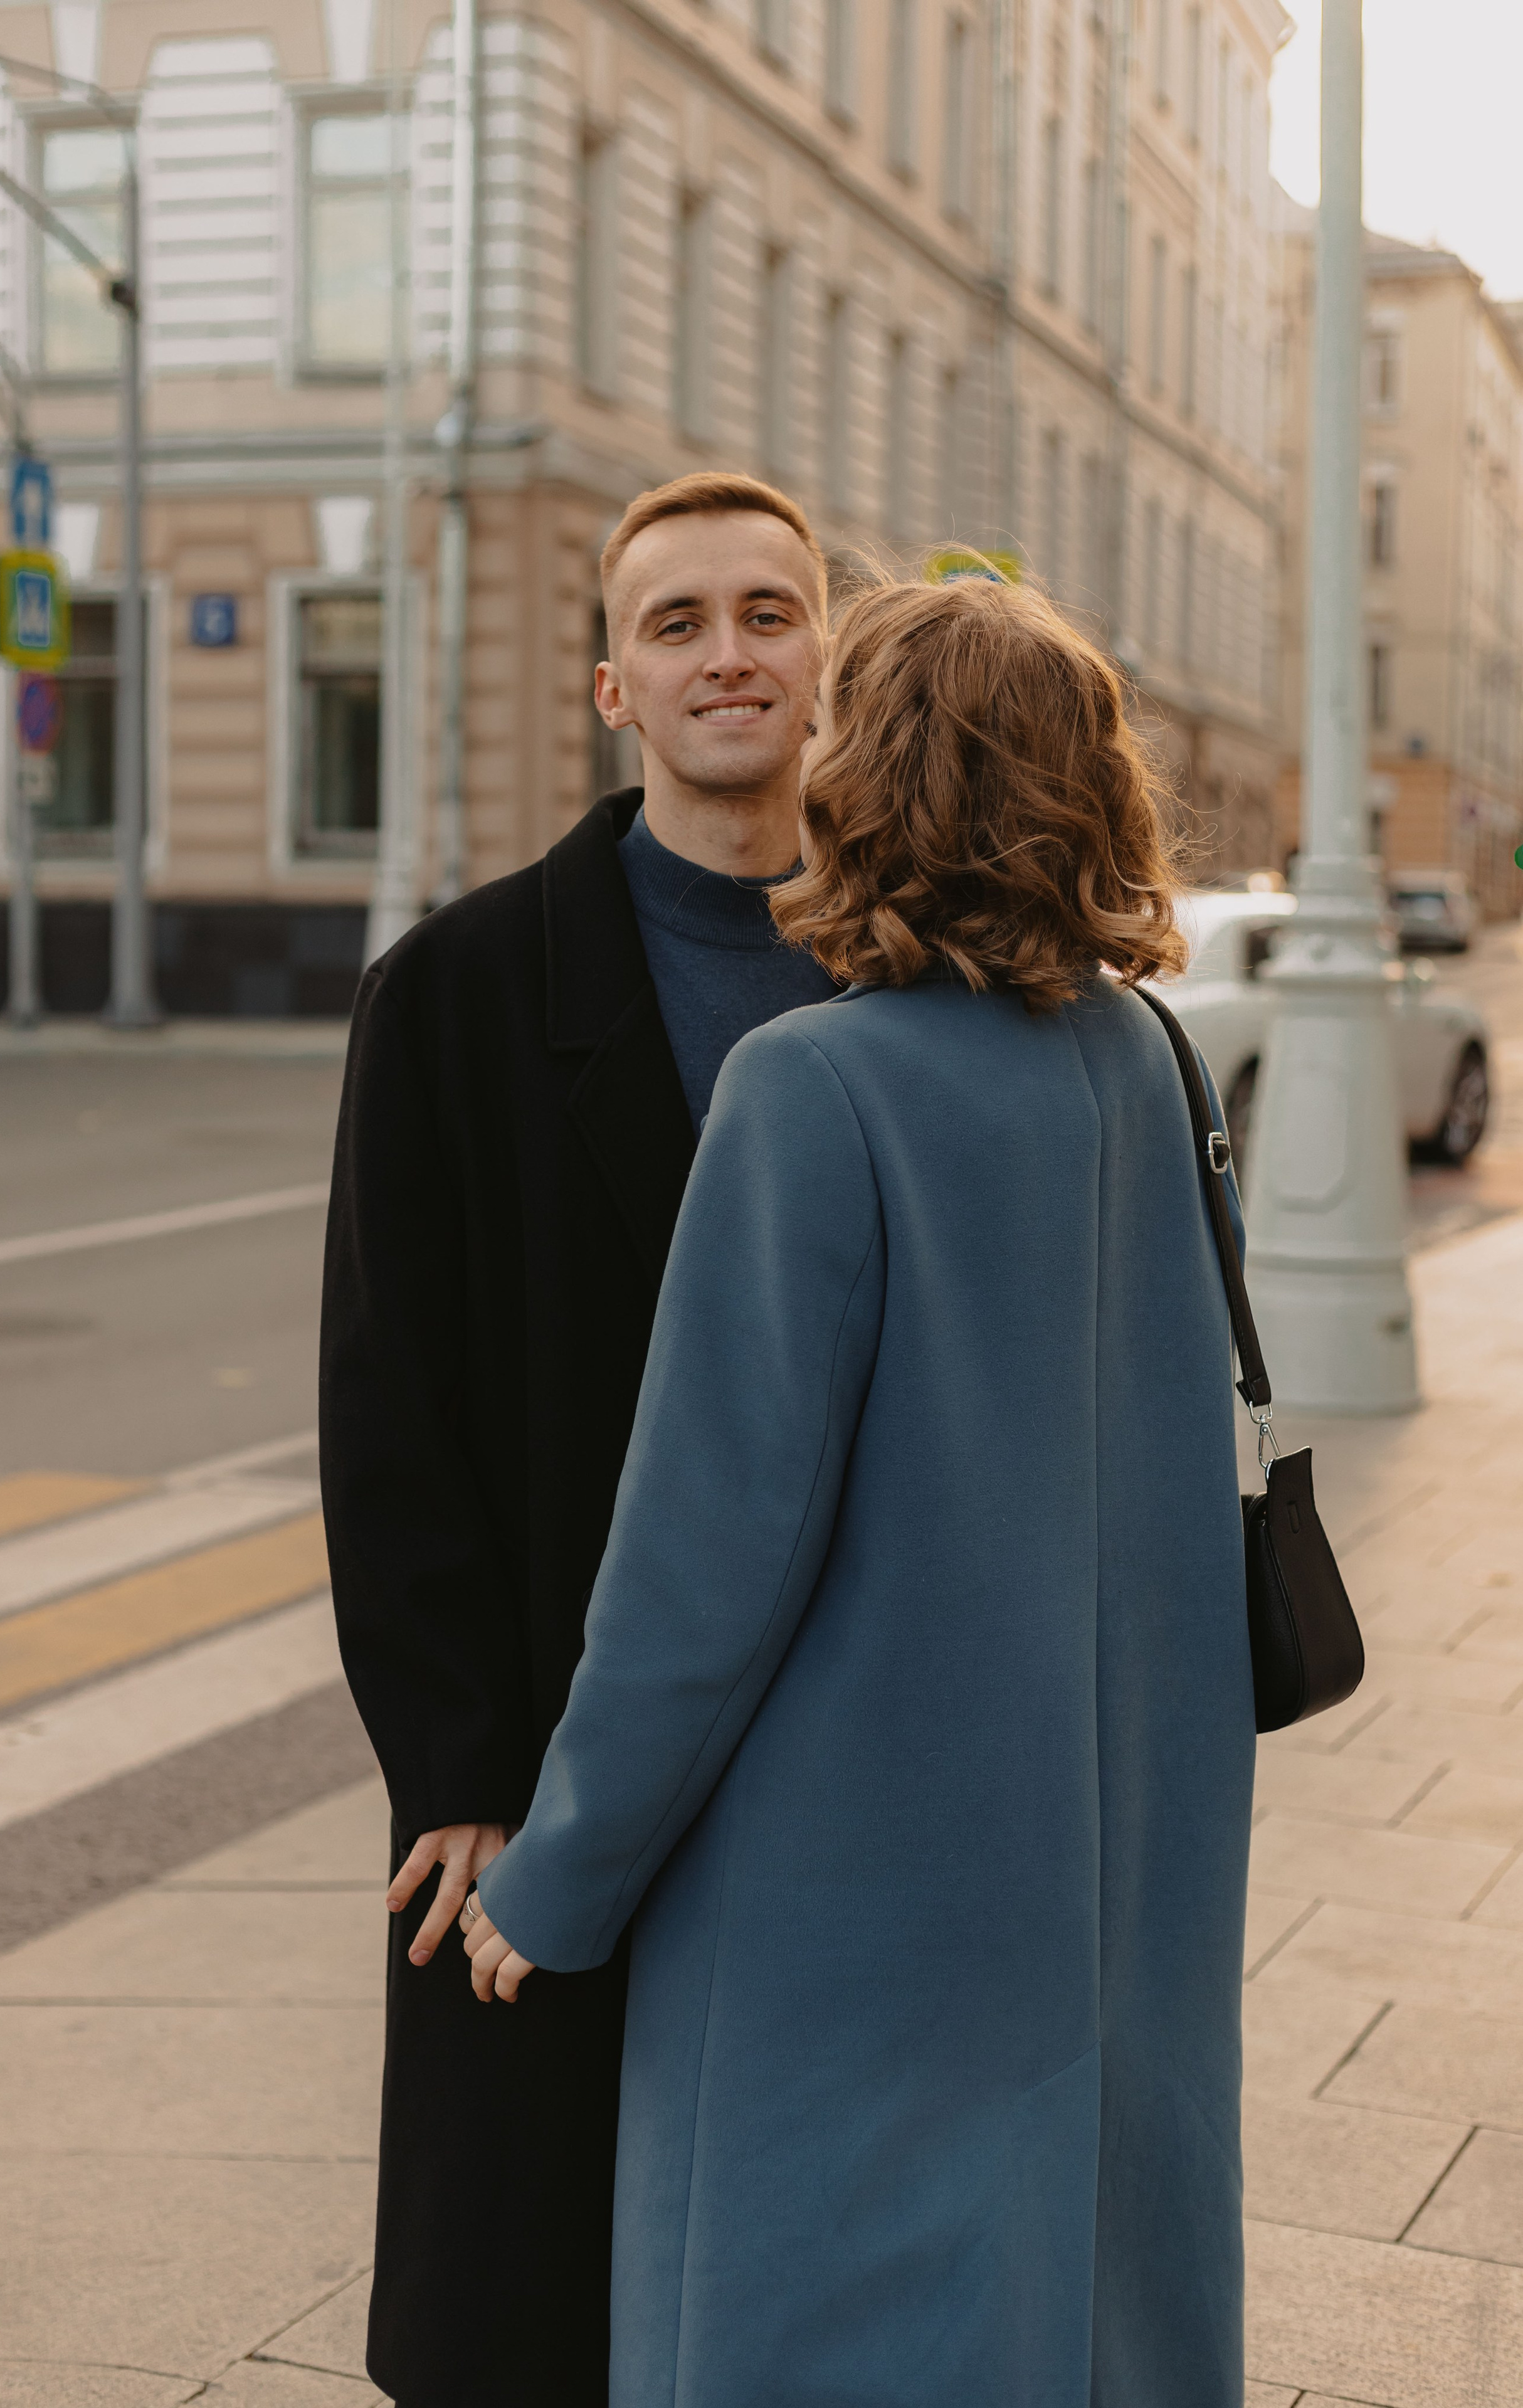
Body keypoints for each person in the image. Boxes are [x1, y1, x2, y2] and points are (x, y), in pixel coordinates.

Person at [465, 571, 1257, 2407]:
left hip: (853, 1889)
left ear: (871, 776)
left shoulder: (810, 1088)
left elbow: (701, 1566)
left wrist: (560, 1878)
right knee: (1083, 2300)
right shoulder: (1149, 1061)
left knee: (819, 2319)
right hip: (1117, 1845)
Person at [319, 471, 836, 2407]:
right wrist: (456, 1765)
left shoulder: (911, 971)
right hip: (543, 1747)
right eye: (677, 622)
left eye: (768, 614)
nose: (727, 654)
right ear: (611, 687)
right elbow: (390, 1414)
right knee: (529, 2287)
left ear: (827, 657)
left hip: (842, 1754)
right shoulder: (452, 995)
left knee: (798, 2278)